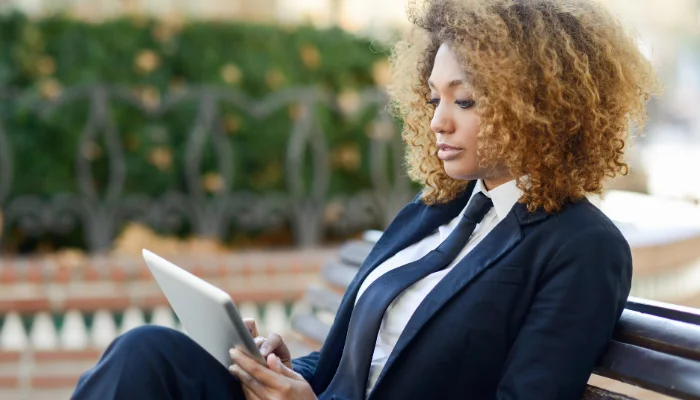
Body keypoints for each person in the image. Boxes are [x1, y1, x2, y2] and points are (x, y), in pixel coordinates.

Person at [71, 0, 660, 399]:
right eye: (434, 99)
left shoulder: (581, 247)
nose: (439, 122)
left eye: (467, 102)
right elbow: (346, 372)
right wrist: (277, 371)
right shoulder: (433, 213)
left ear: (541, 107)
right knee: (143, 353)